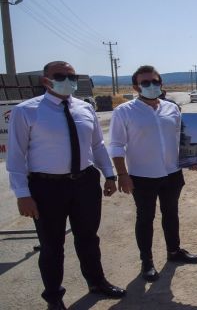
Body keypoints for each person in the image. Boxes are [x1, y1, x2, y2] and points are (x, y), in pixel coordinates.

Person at [7, 61, 126, 310]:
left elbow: (97, 145)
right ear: (45, 80)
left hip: (85, 183)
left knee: (88, 239)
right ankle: (54, 297)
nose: (67, 80)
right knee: (52, 246)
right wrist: (22, 194)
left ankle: (96, 282)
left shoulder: (85, 108)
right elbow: (16, 156)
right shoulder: (26, 111)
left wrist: (110, 175)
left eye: (72, 76)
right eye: (60, 76)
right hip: (47, 188)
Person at [109, 65, 197, 282]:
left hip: (172, 172)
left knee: (171, 213)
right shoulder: (124, 112)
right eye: (146, 83)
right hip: (142, 176)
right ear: (135, 87)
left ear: (162, 84)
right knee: (145, 218)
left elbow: (183, 138)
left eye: (155, 82)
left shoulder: (172, 108)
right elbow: (116, 146)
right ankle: (147, 261)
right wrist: (122, 175)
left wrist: (193, 159)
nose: (152, 86)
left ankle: (174, 251)